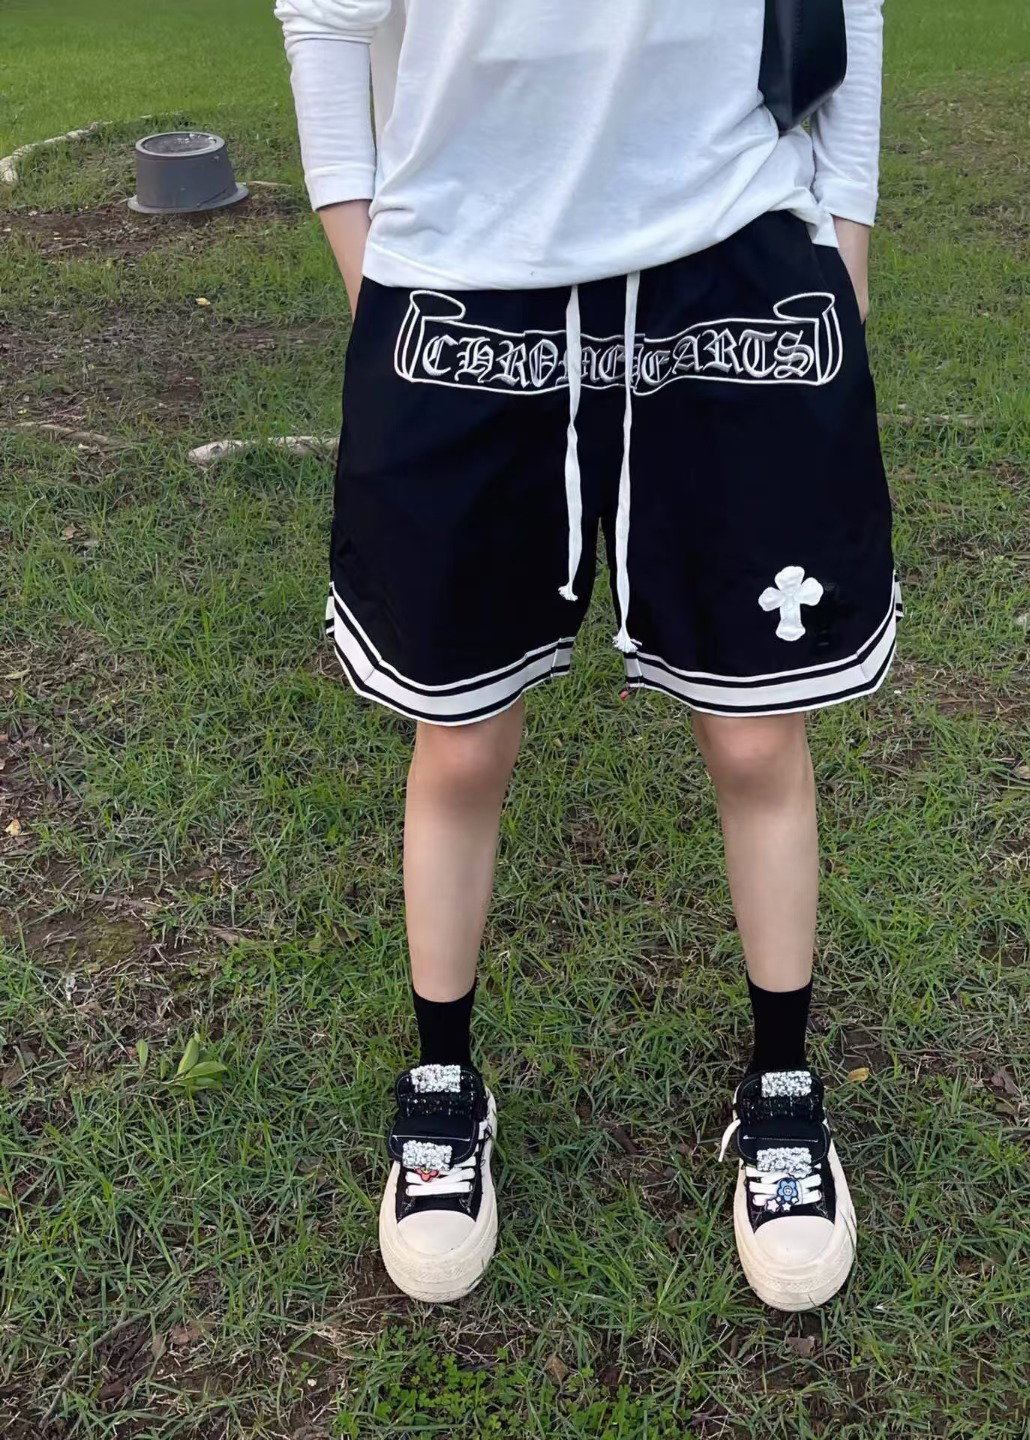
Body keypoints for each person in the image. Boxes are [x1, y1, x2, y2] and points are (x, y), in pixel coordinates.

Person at [275, 0, 896, 1311]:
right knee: (461, 738)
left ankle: (782, 1086)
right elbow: (325, 18)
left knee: (756, 736)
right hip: (464, 276)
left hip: (731, 260)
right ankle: (443, 1083)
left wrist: (843, 253)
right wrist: (372, 281)